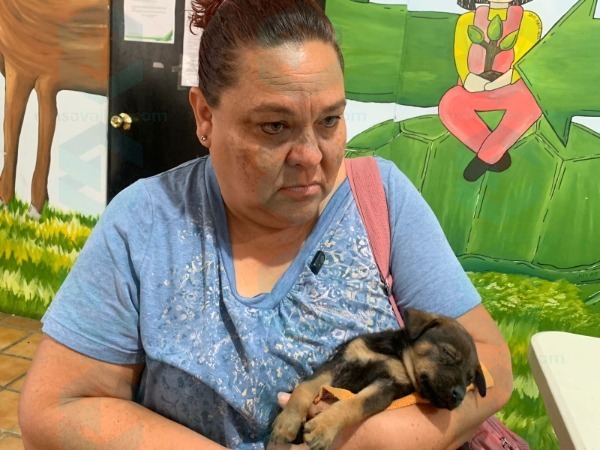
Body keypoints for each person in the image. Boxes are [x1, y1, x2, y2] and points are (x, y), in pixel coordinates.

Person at [18, 0, 513, 448]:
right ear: (205, 115)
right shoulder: (146, 221)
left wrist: (373, 437)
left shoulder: (381, 200)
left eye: (329, 121)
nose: (311, 156)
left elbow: (491, 363)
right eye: (274, 126)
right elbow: (56, 408)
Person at [439, 0, 542, 181]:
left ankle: (486, 157)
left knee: (531, 103)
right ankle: (496, 155)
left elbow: (526, 58)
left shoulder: (529, 20)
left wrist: (503, 80)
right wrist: (468, 79)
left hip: (511, 86)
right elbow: (461, 55)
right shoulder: (466, 21)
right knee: (450, 103)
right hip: (474, 86)